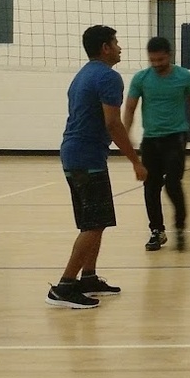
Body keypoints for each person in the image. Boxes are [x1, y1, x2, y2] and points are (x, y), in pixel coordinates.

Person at [47, 25, 147, 309]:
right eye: (116, 42)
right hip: (86, 157)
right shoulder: (108, 77)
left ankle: (88, 277)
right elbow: (113, 123)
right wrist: (135, 160)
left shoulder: (82, 75)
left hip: (76, 153)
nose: (120, 47)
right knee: (93, 224)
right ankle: (65, 286)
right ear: (105, 47)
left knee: (96, 221)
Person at [122, 36, 190, 252]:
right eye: (152, 60)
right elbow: (130, 107)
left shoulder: (185, 77)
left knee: (173, 184)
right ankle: (157, 231)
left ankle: (179, 227)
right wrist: (125, 133)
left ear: (169, 55)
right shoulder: (141, 78)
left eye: (160, 59)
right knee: (150, 186)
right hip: (151, 139)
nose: (157, 64)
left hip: (175, 137)